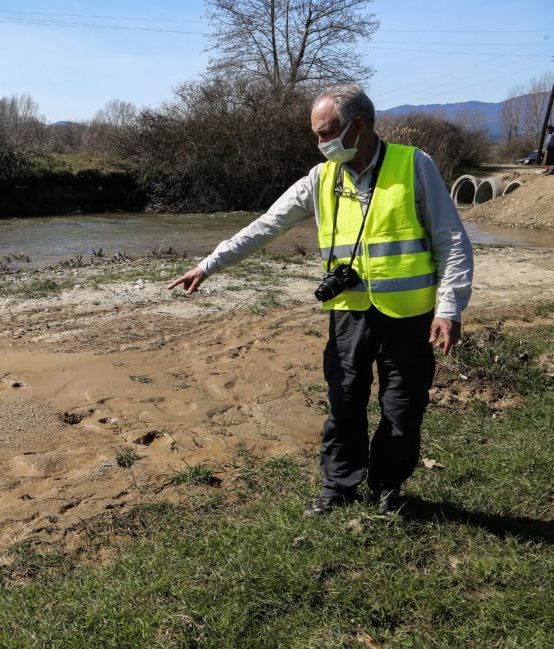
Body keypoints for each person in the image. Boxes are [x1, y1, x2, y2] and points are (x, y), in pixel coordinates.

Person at [168, 83, 474, 517]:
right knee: (344, 401)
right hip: (349, 314)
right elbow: (265, 226)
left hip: (409, 315)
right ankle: (338, 488)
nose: (321, 143)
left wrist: (449, 307)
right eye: (316, 134)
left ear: (359, 126)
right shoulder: (321, 177)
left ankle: (388, 489)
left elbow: (452, 240)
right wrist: (210, 264)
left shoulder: (414, 165)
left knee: (402, 408)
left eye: (327, 133)